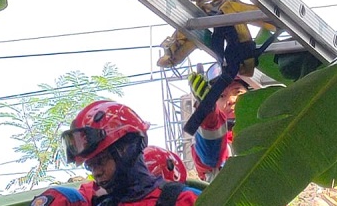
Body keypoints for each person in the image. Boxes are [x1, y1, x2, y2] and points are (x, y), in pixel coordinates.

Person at [32, 100, 197, 205]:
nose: (96, 172)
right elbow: (72, 197)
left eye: (100, 161)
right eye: (90, 166)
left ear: (127, 149)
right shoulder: (99, 200)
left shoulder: (183, 200)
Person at [188, 69, 250, 181]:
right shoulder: (218, 145)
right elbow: (211, 155)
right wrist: (208, 111)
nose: (231, 100)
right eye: (222, 96)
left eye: (238, 92)